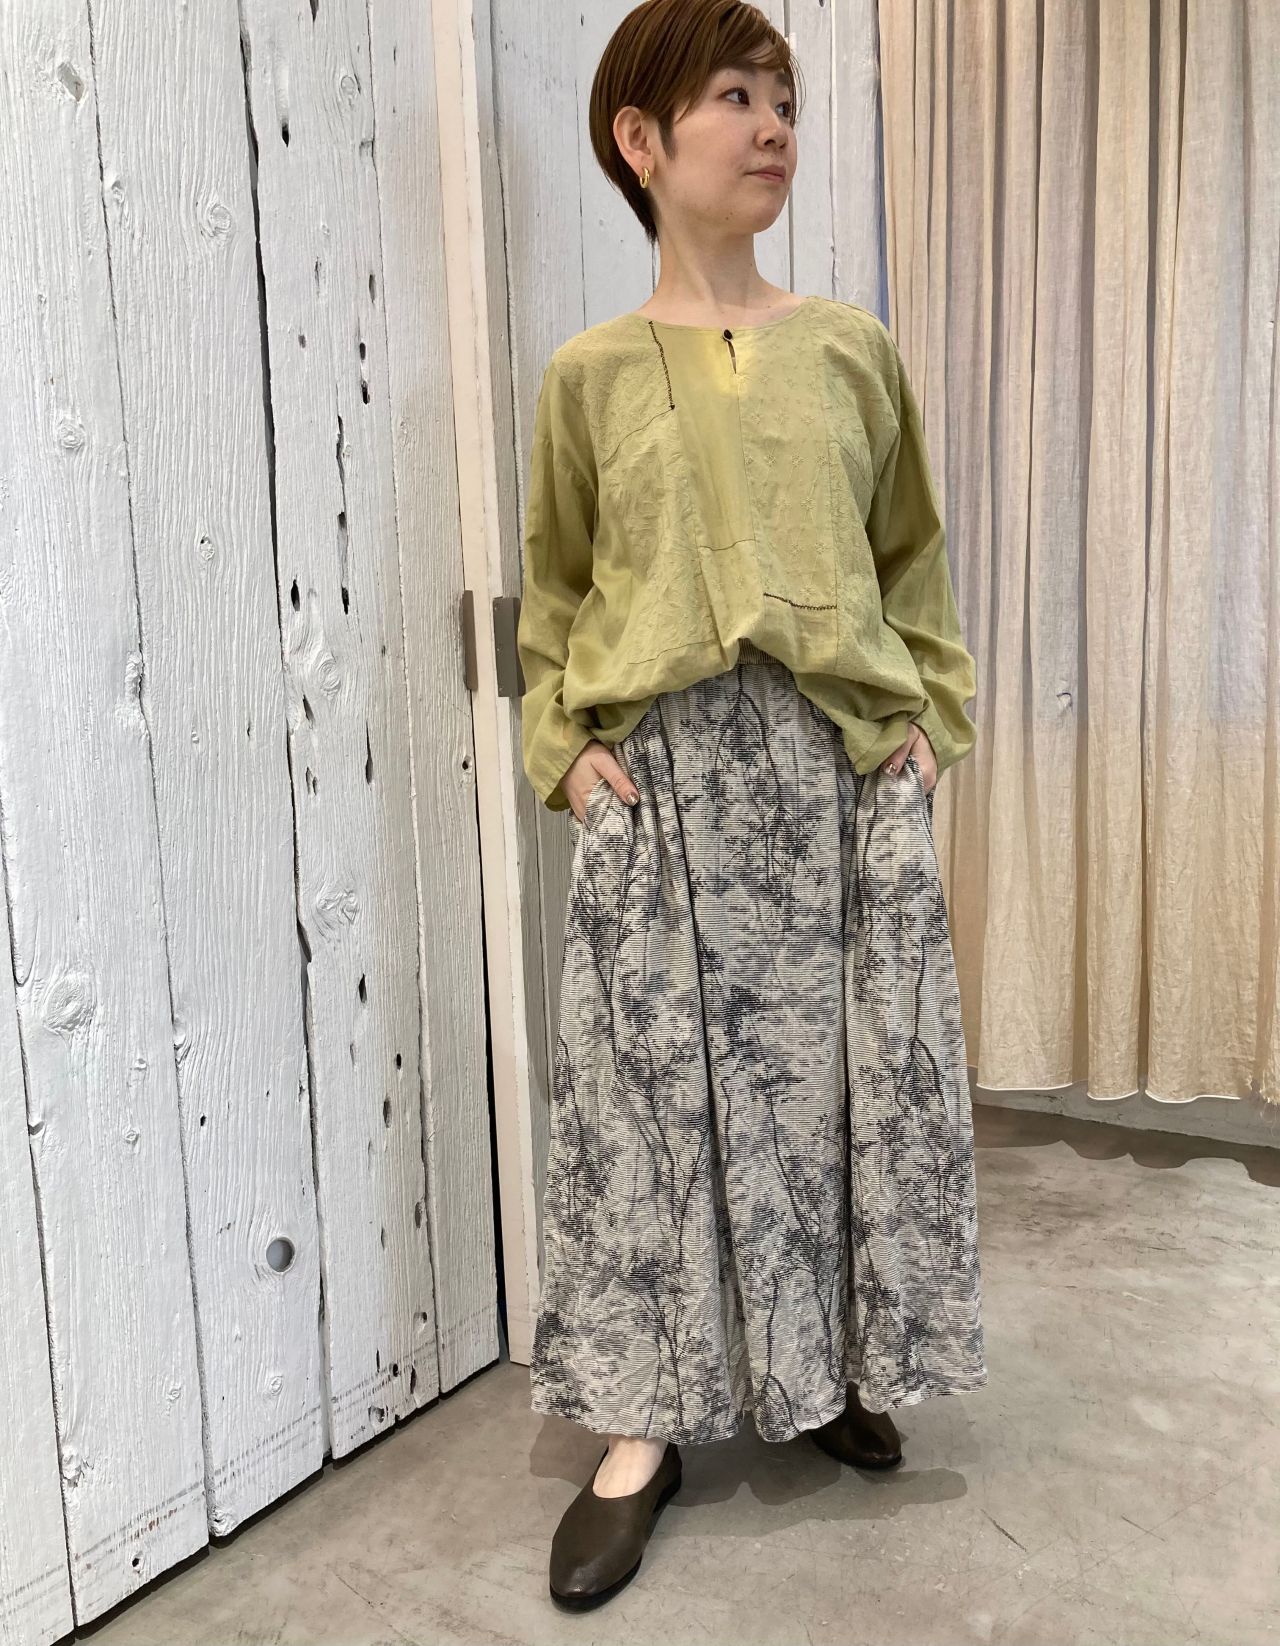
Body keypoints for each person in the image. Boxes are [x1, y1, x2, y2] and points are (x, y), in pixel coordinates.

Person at [515, 0, 987, 1612]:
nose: (773, 122)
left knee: (840, 1091)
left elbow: (912, 560)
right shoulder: (586, 378)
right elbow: (555, 597)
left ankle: (825, 1369)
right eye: (733, 94)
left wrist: (929, 725)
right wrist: (564, 749)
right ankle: (639, 1426)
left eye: (782, 94)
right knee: (647, 1109)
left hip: (835, 769)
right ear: (641, 140)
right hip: (660, 778)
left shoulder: (851, 348)